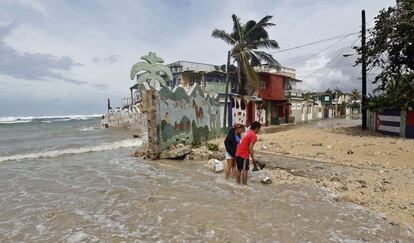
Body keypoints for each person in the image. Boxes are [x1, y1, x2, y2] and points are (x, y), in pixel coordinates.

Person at [235, 121, 261, 185]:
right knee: (245, 170)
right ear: (257, 128)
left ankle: (237, 184)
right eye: (259, 129)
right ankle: (244, 186)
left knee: (239, 170)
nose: (259, 130)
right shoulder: (254, 136)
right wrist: (253, 159)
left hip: (237, 153)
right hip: (244, 155)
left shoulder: (246, 132)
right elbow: (250, 148)